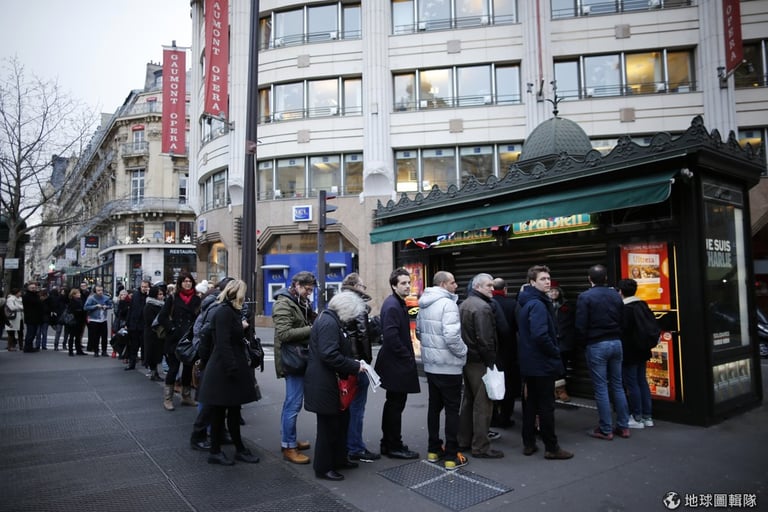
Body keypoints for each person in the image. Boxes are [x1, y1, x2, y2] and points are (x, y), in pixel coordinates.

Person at [304, 291, 368, 481]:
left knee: (340, 423)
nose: (351, 318)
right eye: (352, 314)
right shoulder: (329, 323)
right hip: (325, 384)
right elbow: (329, 354)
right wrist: (354, 366)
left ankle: (339, 459)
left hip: (329, 382)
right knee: (328, 428)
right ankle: (323, 468)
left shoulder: (329, 319)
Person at [196, 279, 260, 465]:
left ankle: (235, 449)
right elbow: (223, 343)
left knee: (230, 411)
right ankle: (218, 451)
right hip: (224, 370)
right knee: (221, 412)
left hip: (227, 368)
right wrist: (233, 368)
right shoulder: (225, 312)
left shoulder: (229, 311)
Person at [516, 265, 574, 460]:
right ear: (532, 282)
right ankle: (551, 447)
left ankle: (529, 443)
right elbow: (540, 335)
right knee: (546, 406)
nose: (547, 282)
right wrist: (554, 352)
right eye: (542, 279)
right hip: (541, 363)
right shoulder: (538, 304)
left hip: (530, 362)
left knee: (530, 404)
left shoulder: (526, 302)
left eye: (548, 278)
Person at [416, 271, 468, 470]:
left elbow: (419, 333)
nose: (456, 286)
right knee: (452, 410)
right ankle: (451, 456)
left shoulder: (424, 304)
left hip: (431, 365)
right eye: (453, 282)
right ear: (443, 284)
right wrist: (463, 352)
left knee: (434, 408)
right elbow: (452, 336)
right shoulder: (448, 304)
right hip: (449, 366)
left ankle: (433, 450)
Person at [575, 264, 631, 440]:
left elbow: (580, 324)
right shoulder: (615, 295)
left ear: (589, 279)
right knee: (618, 385)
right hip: (616, 342)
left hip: (596, 344)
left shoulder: (585, 297)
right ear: (606, 278)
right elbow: (623, 319)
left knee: (601, 387)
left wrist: (583, 343)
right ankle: (623, 426)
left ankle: (606, 429)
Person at [375, 268, 420, 460]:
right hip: (396, 364)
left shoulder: (398, 303)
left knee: (394, 405)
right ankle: (393, 445)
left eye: (408, 282)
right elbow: (391, 337)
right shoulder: (393, 305)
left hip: (395, 363)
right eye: (403, 283)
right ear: (394, 286)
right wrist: (407, 356)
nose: (408, 286)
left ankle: (389, 443)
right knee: (395, 406)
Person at [272, 271, 317, 464]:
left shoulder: (299, 301)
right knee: (293, 404)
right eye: (307, 289)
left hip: (299, 357)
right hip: (293, 360)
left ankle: (288, 440)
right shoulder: (284, 303)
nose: (309, 293)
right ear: (297, 285)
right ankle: (289, 446)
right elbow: (284, 334)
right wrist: (312, 329)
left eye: (311, 290)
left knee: (291, 403)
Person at [458, 273, 504, 459]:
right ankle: (481, 446)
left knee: (469, 401)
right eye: (488, 286)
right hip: (480, 361)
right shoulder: (482, 307)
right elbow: (485, 339)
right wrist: (491, 362)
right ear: (477, 287)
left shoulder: (464, 304)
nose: (492, 289)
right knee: (483, 405)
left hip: (468, 359)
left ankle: (464, 440)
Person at [340, 273, 382, 463]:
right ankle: (355, 447)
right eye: (362, 286)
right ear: (356, 286)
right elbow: (363, 335)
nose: (364, 289)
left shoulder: (341, 302)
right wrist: (366, 361)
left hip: (345, 361)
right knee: (357, 407)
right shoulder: (358, 304)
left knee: (347, 406)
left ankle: (347, 444)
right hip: (357, 362)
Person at [190, 277, 234, 451]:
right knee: (209, 400)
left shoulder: (219, 305)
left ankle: (217, 432)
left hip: (213, 358)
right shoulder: (217, 307)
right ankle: (199, 436)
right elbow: (205, 334)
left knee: (217, 401)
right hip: (211, 359)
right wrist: (206, 359)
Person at [158, 272, 202, 411]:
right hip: (174, 339)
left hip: (189, 339)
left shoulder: (197, 299)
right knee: (173, 369)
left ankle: (186, 396)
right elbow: (162, 317)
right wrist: (172, 328)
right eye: (185, 281)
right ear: (180, 283)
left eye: (189, 281)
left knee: (188, 368)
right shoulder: (173, 298)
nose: (187, 283)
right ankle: (168, 399)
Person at [617, 278, 657, 428]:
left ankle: (636, 417)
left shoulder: (625, 309)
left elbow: (623, 330)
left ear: (620, 292)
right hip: (643, 350)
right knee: (642, 381)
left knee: (632, 383)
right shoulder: (642, 305)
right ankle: (647, 416)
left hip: (630, 351)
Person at [490, 277, 521, 428]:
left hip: (492, 351)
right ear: (505, 289)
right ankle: (505, 417)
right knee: (508, 384)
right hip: (509, 351)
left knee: (491, 383)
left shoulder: (487, 303)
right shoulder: (513, 304)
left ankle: (493, 417)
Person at [548, 283, 576, 402]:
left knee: (562, 366)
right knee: (551, 366)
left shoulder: (567, 305)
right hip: (550, 341)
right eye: (551, 291)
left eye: (556, 291)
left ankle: (561, 390)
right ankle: (552, 389)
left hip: (563, 341)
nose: (553, 293)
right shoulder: (545, 305)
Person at [143, 285, 166, 381]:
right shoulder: (150, 305)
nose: (162, 296)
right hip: (152, 333)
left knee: (157, 353)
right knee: (152, 353)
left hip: (158, 333)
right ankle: (153, 372)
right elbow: (149, 320)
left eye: (162, 294)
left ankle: (154, 372)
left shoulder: (161, 305)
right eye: (159, 294)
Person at [125, 281, 149, 370]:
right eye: (142, 286)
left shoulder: (149, 297)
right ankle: (132, 363)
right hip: (134, 324)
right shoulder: (135, 295)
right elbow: (131, 309)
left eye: (145, 287)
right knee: (133, 346)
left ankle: (145, 362)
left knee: (144, 345)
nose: (144, 288)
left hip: (144, 324)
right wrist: (127, 323)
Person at [84, 285, 113, 357]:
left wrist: (106, 307)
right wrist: (96, 306)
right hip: (94, 319)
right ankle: (96, 351)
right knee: (95, 336)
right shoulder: (91, 298)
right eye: (98, 290)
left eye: (101, 290)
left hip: (103, 319)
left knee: (104, 336)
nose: (100, 292)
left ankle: (104, 351)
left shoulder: (106, 297)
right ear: (95, 291)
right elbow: (86, 307)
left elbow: (111, 305)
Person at [64, 288, 87, 356]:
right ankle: (71, 351)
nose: (79, 294)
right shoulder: (72, 301)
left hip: (79, 321)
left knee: (77, 336)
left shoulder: (79, 300)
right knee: (72, 336)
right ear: (74, 294)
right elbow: (74, 311)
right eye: (78, 293)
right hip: (74, 321)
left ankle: (78, 350)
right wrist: (82, 311)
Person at [22, 282, 44, 353]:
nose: (34, 289)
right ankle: (27, 347)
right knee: (30, 333)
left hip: (35, 317)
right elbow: (36, 303)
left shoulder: (35, 295)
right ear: (28, 288)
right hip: (30, 317)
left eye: (34, 288)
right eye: (32, 288)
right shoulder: (27, 296)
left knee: (33, 333)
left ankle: (30, 346)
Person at [50, 287, 68, 351]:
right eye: (62, 292)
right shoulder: (66, 299)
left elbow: (54, 307)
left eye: (64, 292)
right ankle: (61, 345)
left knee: (60, 332)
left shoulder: (59, 299)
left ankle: (57, 345)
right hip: (63, 317)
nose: (63, 293)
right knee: (62, 332)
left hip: (61, 316)